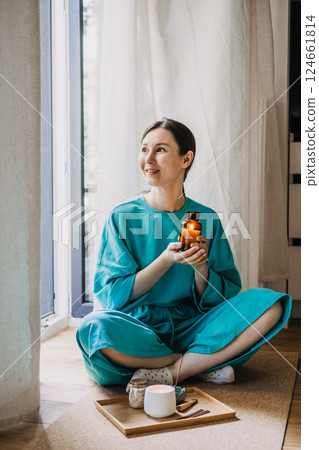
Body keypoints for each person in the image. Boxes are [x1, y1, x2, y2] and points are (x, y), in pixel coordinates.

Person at [76, 117, 292, 388]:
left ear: (186, 158)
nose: (149, 158)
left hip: (194, 324)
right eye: (144, 149)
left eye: (160, 149)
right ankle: (197, 364)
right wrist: (165, 260)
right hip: (141, 329)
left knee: (271, 303)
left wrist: (201, 268)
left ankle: (173, 372)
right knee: (93, 328)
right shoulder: (122, 217)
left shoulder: (206, 218)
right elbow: (112, 296)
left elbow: (225, 294)